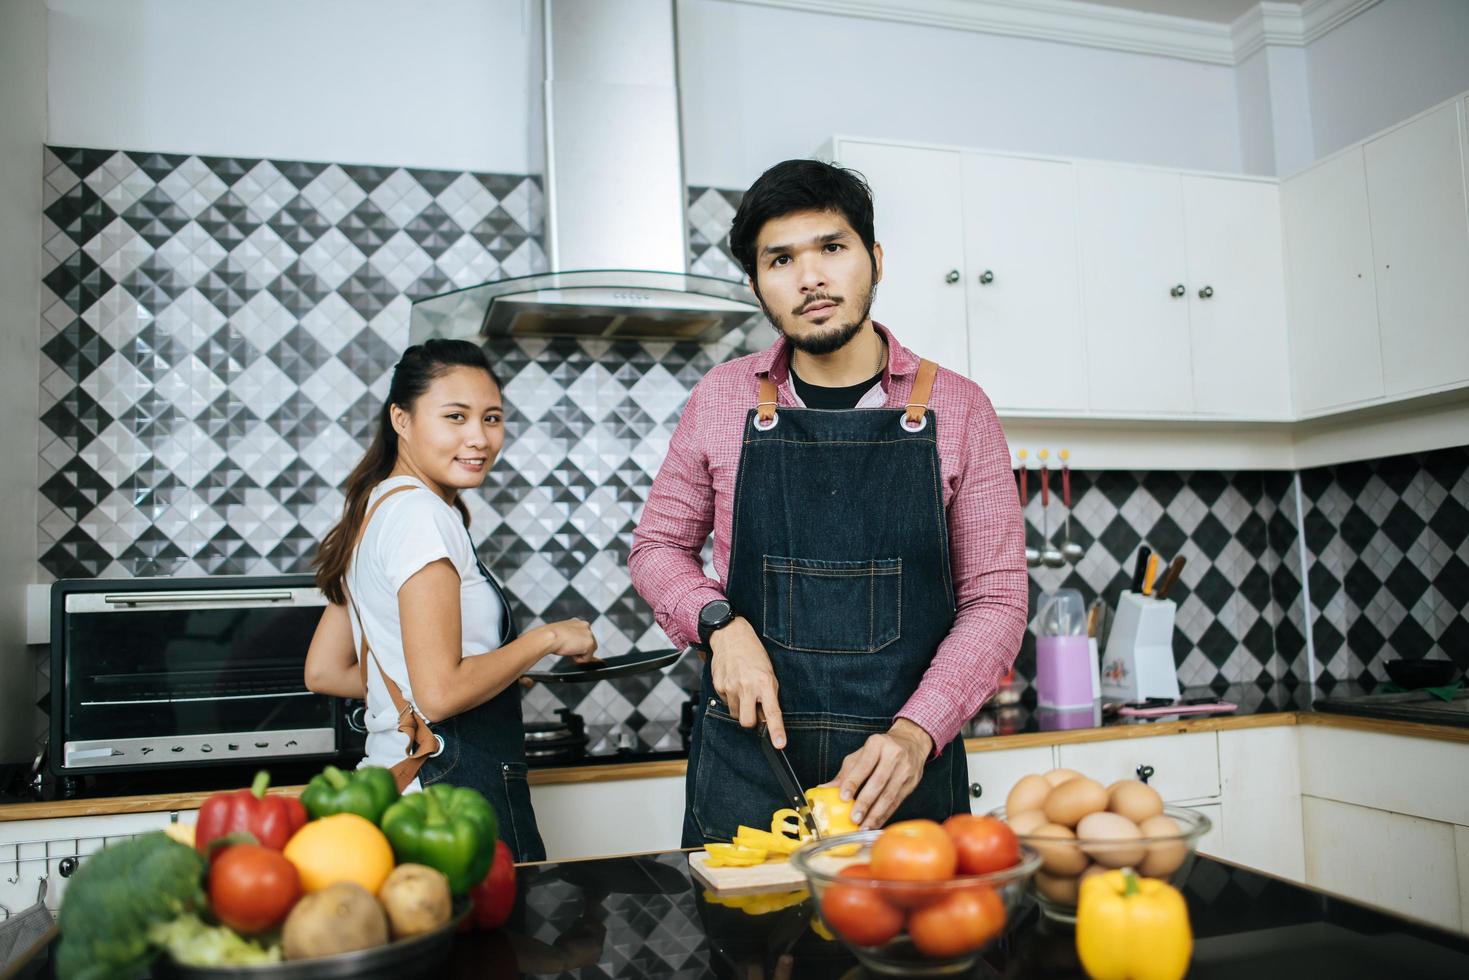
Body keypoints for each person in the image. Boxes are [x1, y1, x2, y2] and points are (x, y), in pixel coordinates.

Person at [629, 160, 1028, 845]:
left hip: (899, 769)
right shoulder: (721, 400)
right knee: (745, 951)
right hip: (749, 763)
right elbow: (656, 548)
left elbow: (995, 597)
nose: (809, 277)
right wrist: (719, 624)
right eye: (780, 259)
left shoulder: (959, 409)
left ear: (873, 259)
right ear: (756, 283)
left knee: (905, 951)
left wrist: (915, 732)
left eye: (831, 249)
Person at [305, 339, 599, 861]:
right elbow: (438, 693)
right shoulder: (422, 516)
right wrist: (546, 639)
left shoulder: (374, 509)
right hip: (449, 797)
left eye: (492, 418)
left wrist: (495, 673)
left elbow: (326, 672)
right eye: (455, 417)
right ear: (401, 419)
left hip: (397, 789)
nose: (479, 438)